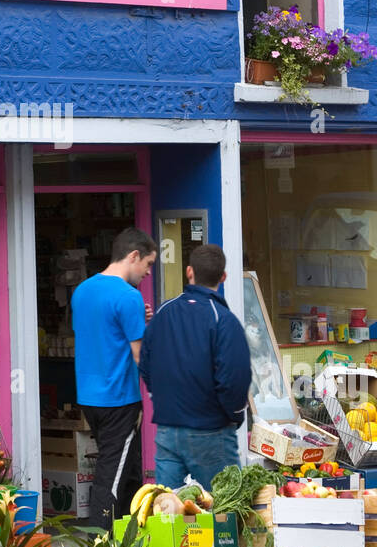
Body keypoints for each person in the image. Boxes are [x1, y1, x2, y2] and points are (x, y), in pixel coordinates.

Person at [140, 243, 251, 493]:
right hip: (211, 431)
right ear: (223, 277)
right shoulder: (223, 320)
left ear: (189, 272)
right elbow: (234, 379)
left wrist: (163, 399)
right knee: (225, 510)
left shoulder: (163, 312)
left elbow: (146, 363)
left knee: (168, 513)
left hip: (168, 429)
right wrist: (233, 416)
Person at [71, 227, 157, 529]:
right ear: (133, 256)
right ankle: (100, 542)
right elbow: (139, 356)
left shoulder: (82, 290)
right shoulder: (128, 296)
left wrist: (137, 321)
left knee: (129, 469)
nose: (148, 273)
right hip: (119, 399)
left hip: (90, 397)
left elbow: (103, 332)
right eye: (147, 264)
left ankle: (130, 535)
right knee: (112, 474)